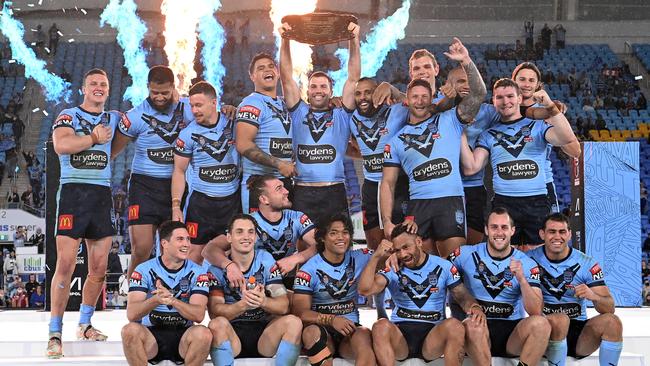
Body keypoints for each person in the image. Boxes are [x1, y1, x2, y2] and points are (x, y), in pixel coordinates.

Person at [381, 38, 487, 258]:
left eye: (424, 97)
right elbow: (388, 184)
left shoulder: (451, 119)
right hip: (418, 205)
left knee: (457, 265)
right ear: (406, 101)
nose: (419, 101)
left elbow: (478, 94)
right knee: (419, 265)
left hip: (451, 202)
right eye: (414, 97)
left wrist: (466, 61)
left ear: (431, 99)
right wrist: (387, 221)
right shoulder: (396, 140)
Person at [47, 68, 120, 358]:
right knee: (65, 264)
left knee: (99, 268)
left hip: (102, 194)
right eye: (93, 84)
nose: (99, 88)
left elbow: (129, 132)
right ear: (84, 89)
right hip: (73, 194)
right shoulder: (69, 115)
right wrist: (92, 138)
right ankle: (54, 332)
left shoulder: (113, 118)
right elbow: (61, 145)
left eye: (103, 84)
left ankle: (86, 323)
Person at [460, 79, 579, 246]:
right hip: (504, 203)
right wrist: (460, 132)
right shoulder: (488, 134)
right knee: (506, 260)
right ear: (493, 101)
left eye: (510, 96)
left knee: (539, 258)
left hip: (537, 201)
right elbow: (471, 167)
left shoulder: (537, 126)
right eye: (499, 97)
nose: (505, 101)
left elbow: (567, 138)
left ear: (519, 99)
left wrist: (551, 108)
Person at [358, 224, 489, 366]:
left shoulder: (443, 266)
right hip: (401, 338)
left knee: (455, 325)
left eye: (406, 247)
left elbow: (461, 295)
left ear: (419, 242)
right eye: (398, 250)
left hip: (432, 337)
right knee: (380, 326)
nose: (402, 254)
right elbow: (364, 290)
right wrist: (376, 256)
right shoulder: (393, 268)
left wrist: (474, 306)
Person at [111, 66, 194, 278]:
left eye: (164, 93)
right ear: (148, 87)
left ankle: (170, 299)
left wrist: (229, 109)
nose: (159, 97)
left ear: (173, 88)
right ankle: (133, 299)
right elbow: (112, 152)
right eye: (154, 92)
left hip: (177, 186)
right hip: (144, 186)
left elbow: (215, 119)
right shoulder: (135, 116)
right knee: (142, 250)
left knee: (176, 251)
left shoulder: (189, 109)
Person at [278, 22, 360, 226]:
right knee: (302, 245)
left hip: (334, 190)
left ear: (331, 91)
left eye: (323, 86)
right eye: (313, 86)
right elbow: (286, 78)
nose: (318, 90)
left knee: (338, 245)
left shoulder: (342, 115)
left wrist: (354, 39)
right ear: (307, 91)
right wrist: (285, 39)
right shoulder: (298, 111)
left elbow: (353, 78)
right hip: (303, 191)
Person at [448, 207, 551, 366]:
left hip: (512, 334)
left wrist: (522, 279)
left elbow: (536, 311)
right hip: (478, 330)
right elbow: (433, 268)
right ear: (486, 230)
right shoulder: (464, 254)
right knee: (472, 324)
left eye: (504, 227)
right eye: (494, 227)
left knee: (541, 324)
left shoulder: (527, 263)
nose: (499, 232)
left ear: (512, 231)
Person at [206, 214, 302, 366]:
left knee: (294, 322)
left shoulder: (266, 261)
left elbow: (283, 305)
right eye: (239, 232)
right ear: (229, 237)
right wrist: (243, 304)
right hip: (232, 335)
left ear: (256, 237)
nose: (246, 237)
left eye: (251, 232)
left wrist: (263, 301)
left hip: (264, 336)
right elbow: (214, 313)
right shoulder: (216, 270)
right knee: (216, 325)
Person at [528, 213, 623, 366]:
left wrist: (593, 296)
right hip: (547, 330)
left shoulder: (587, 263)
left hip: (579, 334)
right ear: (542, 234)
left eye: (562, 232)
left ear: (570, 234)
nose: (557, 236)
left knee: (613, 322)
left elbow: (609, 307)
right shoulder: (528, 259)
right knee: (560, 319)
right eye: (552, 231)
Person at [121, 221, 212, 366]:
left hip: (184, 335)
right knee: (129, 331)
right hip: (152, 336)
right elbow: (132, 314)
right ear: (164, 243)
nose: (187, 244)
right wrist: (156, 300)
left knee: (204, 333)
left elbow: (199, 316)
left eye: (188, 239)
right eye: (180, 239)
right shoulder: (143, 270)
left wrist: (172, 301)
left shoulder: (199, 272)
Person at [203, 175, 317, 291]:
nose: (286, 191)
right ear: (264, 199)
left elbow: (321, 245)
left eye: (284, 187)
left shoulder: (297, 217)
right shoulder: (246, 223)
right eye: (279, 188)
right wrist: (229, 266)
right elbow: (208, 250)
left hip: (285, 281)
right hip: (253, 283)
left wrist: (296, 258)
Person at [292, 214, 376, 366]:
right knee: (311, 333)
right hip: (321, 330)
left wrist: (386, 256)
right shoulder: (308, 270)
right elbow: (300, 313)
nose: (341, 237)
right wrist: (332, 319)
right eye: (333, 233)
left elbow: (386, 256)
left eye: (345, 232)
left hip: (350, 332)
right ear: (322, 238)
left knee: (364, 334)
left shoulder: (360, 257)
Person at [172, 81, 240, 264]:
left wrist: (235, 109)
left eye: (199, 105)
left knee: (228, 253)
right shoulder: (187, 134)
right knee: (194, 253)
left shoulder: (234, 123)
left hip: (231, 202)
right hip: (201, 204)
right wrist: (176, 206)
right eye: (192, 106)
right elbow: (179, 171)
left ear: (214, 103)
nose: (194, 110)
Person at [511, 62, 580, 215]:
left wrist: (554, 115)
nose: (526, 84)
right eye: (522, 79)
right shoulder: (501, 107)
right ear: (513, 81)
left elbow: (574, 150)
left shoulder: (549, 112)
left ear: (538, 85)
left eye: (531, 80)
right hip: (507, 187)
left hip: (541, 186)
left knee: (543, 238)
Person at [236, 53, 295, 213]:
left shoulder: (284, 103)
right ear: (252, 76)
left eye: (271, 66)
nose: (267, 70)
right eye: (261, 68)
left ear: (277, 72)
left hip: (284, 181)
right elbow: (243, 144)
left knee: (286, 234)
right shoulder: (251, 103)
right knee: (258, 235)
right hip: (259, 183)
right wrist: (278, 164)